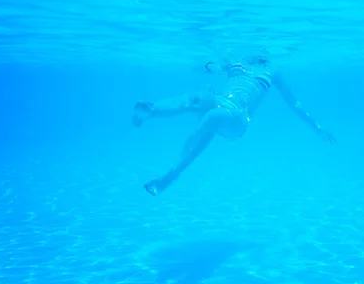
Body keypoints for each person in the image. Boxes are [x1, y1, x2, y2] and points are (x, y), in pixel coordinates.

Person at [132, 55, 336, 196]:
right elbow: (204, 67)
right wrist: (209, 66)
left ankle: (170, 175)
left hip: (238, 119)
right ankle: (150, 112)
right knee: (198, 99)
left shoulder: (273, 70)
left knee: (212, 117)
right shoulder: (236, 59)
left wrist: (318, 129)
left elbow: (294, 103)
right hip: (219, 102)